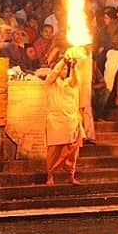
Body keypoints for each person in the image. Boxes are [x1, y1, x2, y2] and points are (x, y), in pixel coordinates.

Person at [44, 57, 84, 186]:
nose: (63, 70)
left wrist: (73, 66)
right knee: (53, 151)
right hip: (55, 120)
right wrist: (63, 61)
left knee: (72, 151)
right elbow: (54, 73)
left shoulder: (71, 84)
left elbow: (76, 78)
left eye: (66, 69)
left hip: (71, 120)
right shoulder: (50, 83)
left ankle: (71, 175)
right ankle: (50, 176)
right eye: (63, 68)